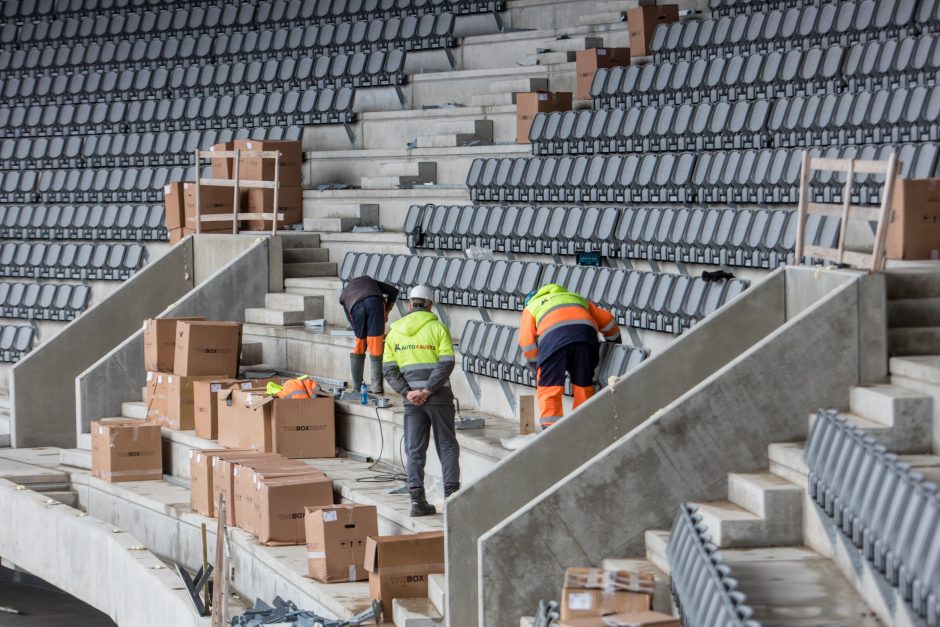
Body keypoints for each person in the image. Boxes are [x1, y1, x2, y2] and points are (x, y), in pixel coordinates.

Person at [382, 285, 460, 517]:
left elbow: (388, 369)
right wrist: (428, 390)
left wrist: (408, 392)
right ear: (430, 305)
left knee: (414, 450)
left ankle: (417, 502)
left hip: (411, 400)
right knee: (446, 445)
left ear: (409, 304)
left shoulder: (395, 331)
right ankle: (452, 500)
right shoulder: (438, 328)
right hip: (438, 397)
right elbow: (446, 363)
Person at [519, 283, 622, 430]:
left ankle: (551, 431)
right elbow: (607, 320)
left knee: (549, 387)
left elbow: (526, 342)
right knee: (583, 384)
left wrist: (537, 364)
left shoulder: (531, 306)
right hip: (585, 337)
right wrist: (614, 341)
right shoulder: (575, 297)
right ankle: (584, 426)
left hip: (553, 339)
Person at [339, 275, 399, 394]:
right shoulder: (371, 281)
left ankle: (356, 387)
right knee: (376, 344)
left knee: (360, 344)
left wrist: (360, 332)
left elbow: (352, 321)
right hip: (375, 303)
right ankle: (376, 386)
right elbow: (394, 291)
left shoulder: (344, 295)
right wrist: (386, 311)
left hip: (355, 306)